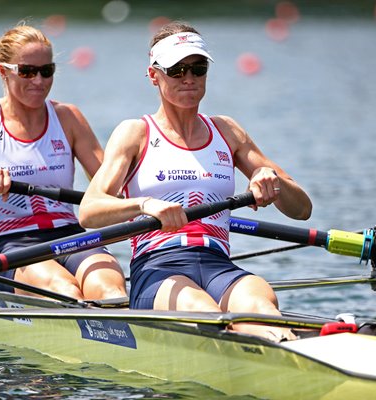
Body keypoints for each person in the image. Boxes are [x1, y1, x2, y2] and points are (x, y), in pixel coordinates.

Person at [79, 21, 312, 341]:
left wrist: (271, 180)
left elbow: (302, 210)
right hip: (158, 269)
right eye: (176, 70)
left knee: (261, 306)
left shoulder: (227, 131)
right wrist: (145, 204)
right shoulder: (136, 133)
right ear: (153, 75)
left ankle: (287, 354)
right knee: (207, 314)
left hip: (218, 265)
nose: (188, 78)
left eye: (198, 68)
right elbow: (89, 211)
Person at [0, 23, 127, 301]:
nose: (38, 81)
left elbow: (110, 188)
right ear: (3, 71)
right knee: (65, 291)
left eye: (46, 71)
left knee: (110, 290)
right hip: (15, 244)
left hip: (73, 235)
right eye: (27, 71)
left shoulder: (68, 118)